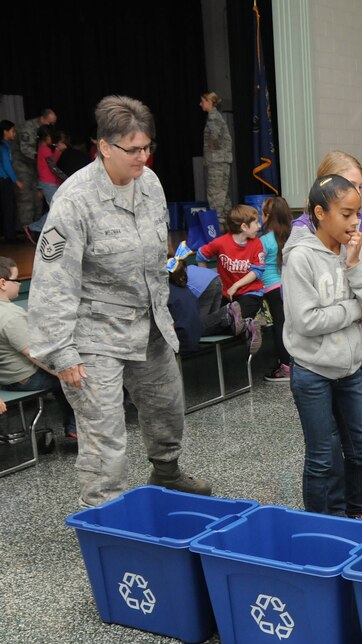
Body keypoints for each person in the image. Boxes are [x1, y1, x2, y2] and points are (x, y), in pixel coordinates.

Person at [28, 95, 210, 507]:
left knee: (168, 410)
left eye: (148, 147)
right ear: (104, 147)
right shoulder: (74, 200)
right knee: (104, 433)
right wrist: (61, 351)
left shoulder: (150, 183)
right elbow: (52, 279)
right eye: (133, 149)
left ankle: (166, 472)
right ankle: (103, 510)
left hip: (148, 323)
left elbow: (155, 252)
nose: (143, 157)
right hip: (94, 333)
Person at [281, 174, 362, 523]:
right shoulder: (301, 258)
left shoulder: (358, 253)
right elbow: (306, 322)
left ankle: (358, 510)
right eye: (347, 213)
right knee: (322, 456)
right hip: (312, 371)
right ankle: (323, 521)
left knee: (360, 450)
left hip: (352, 368)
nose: (356, 222)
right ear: (320, 213)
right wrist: (354, 310)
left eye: (358, 213)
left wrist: (354, 267)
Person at [0, 255, 77, 438]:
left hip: (5, 377)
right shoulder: (11, 316)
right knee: (73, 378)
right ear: (2, 283)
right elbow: (35, 354)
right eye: (17, 279)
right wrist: (64, 371)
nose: (20, 284)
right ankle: (75, 428)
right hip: (23, 378)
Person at [195, 204, 265, 355]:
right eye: (256, 223)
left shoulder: (256, 243)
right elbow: (201, 255)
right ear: (244, 226)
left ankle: (242, 323)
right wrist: (207, 279)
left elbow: (257, 271)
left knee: (231, 321)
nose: (259, 226)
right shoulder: (221, 242)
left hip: (250, 294)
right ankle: (247, 326)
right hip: (228, 297)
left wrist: (236, 285)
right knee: (223, 321)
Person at [259, 196, 293, 381]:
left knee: (280, 327)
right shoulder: (292, 234)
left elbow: (258, 265)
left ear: (267, 216)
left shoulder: (264, 240)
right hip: (290, 285)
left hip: (272, 288)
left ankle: (286, 367)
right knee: (290, 325)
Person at [14, 109, 56, 230]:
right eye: (50, 122)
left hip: (36, 167)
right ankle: (26, 228)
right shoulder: (28, 127)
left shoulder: (44, 130)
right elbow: (26, 150)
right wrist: (44, 156)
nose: (52, 125)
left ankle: (36, 227)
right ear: (43, 119)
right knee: (26, 198)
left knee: (38, 197)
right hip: (23, 165)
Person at [26, 126, 67, 236]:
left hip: (50, 183)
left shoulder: (44, 148)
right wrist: (68, 179)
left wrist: (58, 151)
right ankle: (34, 227)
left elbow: (51, 163)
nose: (52, 138)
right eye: (50, 136)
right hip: (49, 183)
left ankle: (36, 227)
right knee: (57, 209)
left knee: (57, 208)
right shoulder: (45, 149)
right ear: (45, 137)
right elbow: (53, 167)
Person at [200, 93, 233, 229]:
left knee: (215, 195)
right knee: (223, 195)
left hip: (217, 162)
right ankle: (230, 223)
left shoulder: (213, 117)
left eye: (202, 101)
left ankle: (218, 227)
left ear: (209, 101)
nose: (200, 104)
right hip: (222, 161)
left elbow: (214, 136)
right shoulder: (217, 116)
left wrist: (211, 147)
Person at [0, 121, 22, 243]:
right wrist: (16, 180)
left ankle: (10, 234)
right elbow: (7, 165)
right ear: (5, 131)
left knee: (8, 207)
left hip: (5, 180)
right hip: (4, 180)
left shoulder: (7, 145)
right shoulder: (3, 146)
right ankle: (10, 236)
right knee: (9, 208)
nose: (15, 133)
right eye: (13, 131)